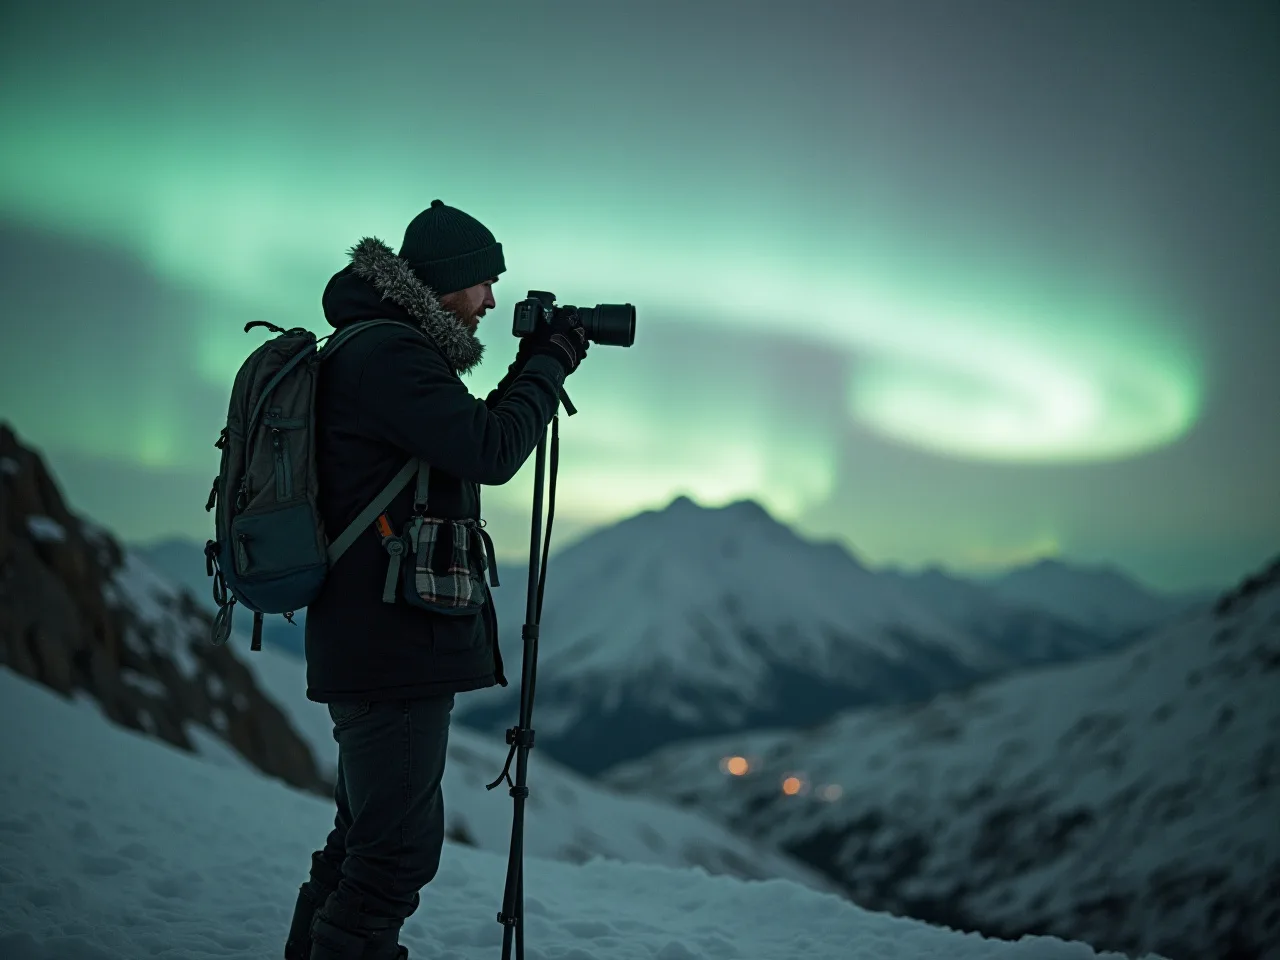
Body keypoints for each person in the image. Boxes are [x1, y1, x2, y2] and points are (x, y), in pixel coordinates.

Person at [283, 200, 589, 960]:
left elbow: (460, 438)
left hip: (374, 638)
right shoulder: (392, 355)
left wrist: (532, 368)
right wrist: (549, 363)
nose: (491, 301)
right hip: (394, 646)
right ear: (445, 283)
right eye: (483, 282)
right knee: (393, 858)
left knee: (362, 841)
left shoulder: (379, 351)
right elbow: (489, 449)